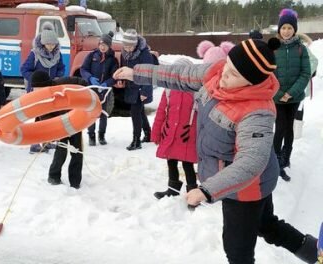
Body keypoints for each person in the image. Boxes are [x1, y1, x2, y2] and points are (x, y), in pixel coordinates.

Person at [113, 38, 318, 264]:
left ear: (250, 83)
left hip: (246, 186)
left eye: (233, 75)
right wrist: (137, 73)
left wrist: (207, 190)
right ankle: (314, 253)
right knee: (266, 225)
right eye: (227, 66)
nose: (224, 75)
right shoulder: (217, 73)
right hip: (236, 177)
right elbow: (181, 75)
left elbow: (250, 162)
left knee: (237, 250)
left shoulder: (257, 112)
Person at [151, 60, 198, 200]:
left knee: (187, 163)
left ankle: (193, 193)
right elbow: (161, 112)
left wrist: (197, 134)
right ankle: (172, 189)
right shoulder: (169, 90)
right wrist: (156, 132)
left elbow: (202, 116)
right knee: (171, 161)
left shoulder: (196, 92)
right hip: (170, 132)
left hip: (187, 135)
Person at [30, 70, 85, 189]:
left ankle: (75, 181)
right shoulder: (38, 99)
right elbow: (43, 117)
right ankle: (53, 176)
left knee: (77, 152)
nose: (37, 91)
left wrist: (87, 87)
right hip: (59, 125)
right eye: (35, 88)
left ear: (47, 85)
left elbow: (78, 81)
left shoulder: (60, 84)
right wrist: (51, 132)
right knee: (61, 151)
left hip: (74, 120)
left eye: (40, 88)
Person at [273, 9, 311, 181]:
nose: (286, 31)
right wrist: (280, 93)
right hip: (277, 98)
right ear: (279, 29)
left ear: (294, 29)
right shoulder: (273, 48)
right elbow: (269, 73)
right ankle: (275, 162)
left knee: (289, 128)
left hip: (293, 98)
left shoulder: (301, 49)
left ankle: (285, 159)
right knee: (279, 128)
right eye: (283, 28)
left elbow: (305, 73)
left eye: (289, 27)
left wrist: (290, 93)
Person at [20, 21, 65, 153]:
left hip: (51, 90)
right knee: (38, 117)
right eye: (48, 44)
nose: (51, 47)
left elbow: (61, 68)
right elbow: (24, 70)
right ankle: (34, 144)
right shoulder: (35, 54)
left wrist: (58, 77)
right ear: (43, 43)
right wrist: (35, 80)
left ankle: (47, 141)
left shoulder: (58, 54)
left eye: (53, 44)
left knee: (49, 116)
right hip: (37, 91)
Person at [80, 32, 118, 146]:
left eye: (105, 45)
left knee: (103, 114)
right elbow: (83, 69)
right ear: (98, 44)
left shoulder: (113, 59)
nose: (102, 47)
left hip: (105, 91)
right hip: (92, 89)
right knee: (92, 112)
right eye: (101, 44)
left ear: (109, 46)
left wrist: (108, 83)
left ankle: (101, 135)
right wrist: (90, 78)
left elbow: (115, 76)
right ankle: (91, 136)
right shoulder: (92, 56)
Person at [118, 29, 154, 151]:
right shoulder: (125, 52)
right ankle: (148, 134)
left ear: (136, 44)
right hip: (131, 86)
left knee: (135, 113)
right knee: (140, 111)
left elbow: (149, 73)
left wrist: (145, 91)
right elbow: (124, 67)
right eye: (126, 46)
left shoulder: (144, 54)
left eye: (130, 46)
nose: (128, 49)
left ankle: (136, 140)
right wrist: (121, 78)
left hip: (140, 88)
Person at [293, 33, 319, 139]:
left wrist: (305, 74)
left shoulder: (302, 49)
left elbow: (314, 61)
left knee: (299, 107)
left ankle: (297, 133)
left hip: (301, 84)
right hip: (288, 84)